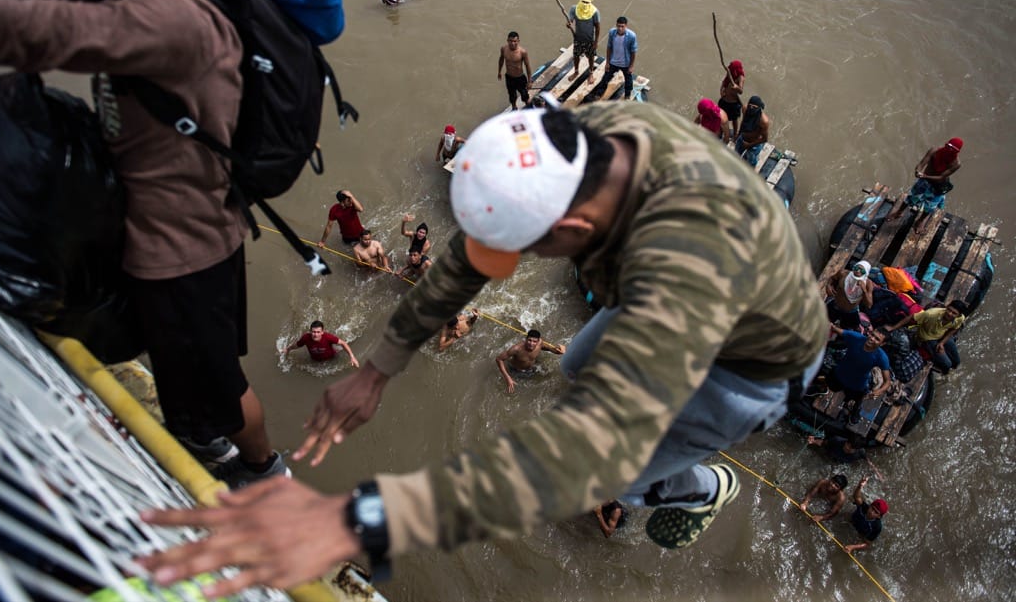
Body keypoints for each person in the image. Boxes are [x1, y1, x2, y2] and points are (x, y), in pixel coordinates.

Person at [139, 103, 829, 594]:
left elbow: (577, 453)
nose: (503, 261)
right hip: (655, 295)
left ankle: (703, 486)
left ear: (575, 227)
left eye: (524, 249)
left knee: (611, 476)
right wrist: (378, 367)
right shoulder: (588, 140)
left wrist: (359, 520)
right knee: (575, 364)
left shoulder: (684, 263)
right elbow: (467, 262)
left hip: (750, 365)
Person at [0, 0, 291, 488]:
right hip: (145, 224)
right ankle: (207, 437)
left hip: (184, 249)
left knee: (221, 388)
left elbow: (36, 30)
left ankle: (265, 474)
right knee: (186, 371)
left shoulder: (175, 20)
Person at [885, 138, 963, 234]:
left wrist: (925, 176)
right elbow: (921, 163)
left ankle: (920, 221)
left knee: (930, 206)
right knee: (911, 198)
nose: (948, 149)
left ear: (956, 152)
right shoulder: (934, 151)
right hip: (924, 181)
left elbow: (941, 177)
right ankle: (899, 212)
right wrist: (918, 170)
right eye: (948, 146)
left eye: (952, 149)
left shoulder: (956, 164)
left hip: (937, 186)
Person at [826, 326, 892, 424]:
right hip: (839, 374)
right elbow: (834, 328)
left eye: (877, 339)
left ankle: (855, 411)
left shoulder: (882, 357)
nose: (872, 338)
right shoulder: (856, 337)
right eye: (872, 335)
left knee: (857, 401)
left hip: (857, 385)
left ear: (882, 344)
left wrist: (878, 391)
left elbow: (888, 381)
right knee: (829, 384)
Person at [885, 300, 967, 374]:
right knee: (947, 364)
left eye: (954, 313)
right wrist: (893, 328)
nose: (949, 314)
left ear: (959, 315)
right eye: (949, 310)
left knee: (957, 361)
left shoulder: (960, 318)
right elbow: (911, 317)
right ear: (947, 307)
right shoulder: (931, 314)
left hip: (942, 335)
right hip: (928, 339)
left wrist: (942, 343)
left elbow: (955, 328)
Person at [494, 329, 566, 393]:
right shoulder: (516, 349)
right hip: (516, 370)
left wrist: (558, 351)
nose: (531, 344)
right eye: (529, 340)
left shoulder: (540, 343)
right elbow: (499, 359)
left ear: (538, 341)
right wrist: (508, 378)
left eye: (534, 341)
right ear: (526, 339)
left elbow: (549, 348)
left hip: (531, 369)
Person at [821, 260, 875, 331]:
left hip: (850, 311)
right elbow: (832, 278)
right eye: (856, 268)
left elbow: (869, 305)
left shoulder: (868, 284)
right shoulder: (843, 273)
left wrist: (864, 290)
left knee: (847, 330)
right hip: (836, 306)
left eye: (862, 270)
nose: (858, 271)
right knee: (822, 322)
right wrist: (828, 285)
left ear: (866, 272)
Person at [283, 321, 359, 368]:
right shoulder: (306, 338)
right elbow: (297, 345)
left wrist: (352, 357)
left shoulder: (328, 337)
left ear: (322, 332)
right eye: (313, 332)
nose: (315, 334)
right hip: (315, 361)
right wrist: (288, 349)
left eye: (318, 332)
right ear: (310, 331)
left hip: (332, 358)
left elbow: (343, 343)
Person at [596, 17, 638, 100]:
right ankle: (599, 94)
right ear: (616, 25)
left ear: (626, 26)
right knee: (605, 78)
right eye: (618, 26)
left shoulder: (632, 36)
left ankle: (627, 95)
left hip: (625, 63)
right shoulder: (612, 32)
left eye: (622, 26)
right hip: (613, 62)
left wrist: (631, 66)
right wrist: (607, 62)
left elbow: (633, 52)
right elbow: (609, 47)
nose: (620, 28)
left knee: (628, 81)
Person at [844, 476, 887, 553]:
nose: (871, 512)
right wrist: (859, 486)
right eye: (872, 508)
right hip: (852, 521)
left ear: (879, 516)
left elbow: (867, 544)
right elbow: (856, 497)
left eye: (876, 512)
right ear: (870, 506)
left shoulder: (876, 526)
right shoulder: (864, 508)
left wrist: (852, 547)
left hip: (862, 533)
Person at [566, 0, 601, 84]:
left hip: (589, 40)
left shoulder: (595, 12)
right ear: (580, 0)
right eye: (583, 2)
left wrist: (596, 42)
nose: (585, 4)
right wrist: (569, 24)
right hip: (578, 39)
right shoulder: (574, 9)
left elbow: (597, 27)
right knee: (576, 55)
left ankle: (591, 73)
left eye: (587, 2)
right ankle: (576, 71)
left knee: (591, 57)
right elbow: (570, 21)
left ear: (590, 2)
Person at [497, 31, 533, 110]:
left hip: (520, 78)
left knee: (525, 96)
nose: (512, 43)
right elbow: (501, 59)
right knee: (512, 96)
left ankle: (530, 109)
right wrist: (499, 72)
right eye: (510, 41)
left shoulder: (522, 52)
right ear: (507, 40)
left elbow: (527, 66)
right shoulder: (504, 49)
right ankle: (514, 108)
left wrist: (529, 81)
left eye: (515, 41)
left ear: (518, 41)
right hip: (509, 77)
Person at [735, 95, 769, 166]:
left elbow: (765, 139)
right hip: (742, 138)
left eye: (754, 107)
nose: (751, 108)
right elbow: (743, 121)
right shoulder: (745, 108)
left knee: (751, 162)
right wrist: (738, 134)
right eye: (750, 106)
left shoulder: (763, 121)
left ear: (759, 108)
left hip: (754, 144)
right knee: (735, 155)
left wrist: (749, 145)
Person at [719, 60, 745, 138]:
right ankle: (721, 131)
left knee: (734, 120)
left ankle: (735, 134)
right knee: (721, 117)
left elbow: (741, 91)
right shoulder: (729, 73)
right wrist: (721, 91)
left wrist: (737, 87)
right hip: (724, 101)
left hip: (733, 103)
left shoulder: (741, 77)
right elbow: (723, 83)